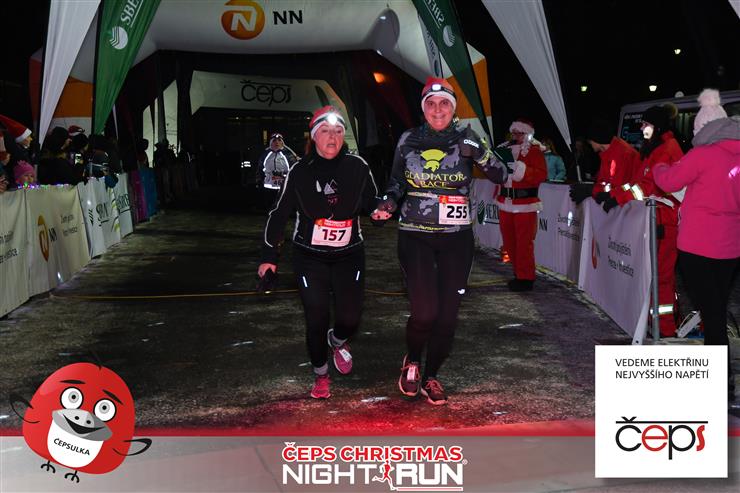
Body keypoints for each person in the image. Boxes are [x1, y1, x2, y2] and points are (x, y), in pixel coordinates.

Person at [372, 77, 509, 405]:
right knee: (425, 312)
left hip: (456, 239)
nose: (437, 110)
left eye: (444, 103)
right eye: (431, 104)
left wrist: (480, 153)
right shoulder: (409, 139)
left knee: (447, 317)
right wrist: (388, 203)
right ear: (423, 109)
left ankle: (431, 375)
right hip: (415, 235)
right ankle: (412, 362)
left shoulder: (467, 137)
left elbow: (501, 174)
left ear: (453, 108)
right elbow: (396, 182)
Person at [258, 106, 381, 399]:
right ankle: (321, 374)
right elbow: (278, 214)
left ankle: (337, 340)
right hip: (309, 257)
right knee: (316, 316)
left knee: (350, 319)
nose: (332, 137)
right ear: (314, 137)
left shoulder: (358, 166)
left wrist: (381, 209)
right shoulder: (299, 171)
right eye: (325, 131)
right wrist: (268, 257)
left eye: (338, 131)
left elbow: (372, 200)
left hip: (349, 254)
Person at [652, 89, 739, 399]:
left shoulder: (702, 154)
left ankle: (720, 382)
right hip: (731, 247)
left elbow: (668, 181)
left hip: (699, 247)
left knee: (712, 313)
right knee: (716, 308)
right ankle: (722, 379)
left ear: (703, 128)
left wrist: (658, 168)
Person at [603, 105, 684, 336]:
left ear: (656, 126)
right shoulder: (656, 148)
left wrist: (617, 198)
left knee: (661, 278)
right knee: (654, 277)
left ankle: (664, 329)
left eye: (645, 124)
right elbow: (637, 183)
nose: (641, 128)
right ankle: (656, 323)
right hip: (655, 220)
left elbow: (648, 187)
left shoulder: (666, 149)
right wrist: (613, 194)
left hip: (664, 222)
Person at [495, 118, 548, 292]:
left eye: (520, 133)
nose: (516, 136)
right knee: (509, 242)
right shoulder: (504, 149)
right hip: (505, 203)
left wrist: (520, 168)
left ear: (527, 134)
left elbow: (541, 175)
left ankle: (526, 278)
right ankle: (519, 273)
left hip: (525, 204)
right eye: (514, 133)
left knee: (524, 243)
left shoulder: (535, 151)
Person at [569, 120, 641, 205]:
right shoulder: (608, 153)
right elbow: (604, 182)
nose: (589, 143)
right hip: (622, 205)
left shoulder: (623, 154)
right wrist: (591, 189)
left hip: (633, 206)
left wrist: (591, 190)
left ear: (597, 139)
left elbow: (619, 186)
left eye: (590, 140)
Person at [256, 132, 298, 210]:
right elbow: (260, 169)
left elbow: (294, 169)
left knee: (284, 208)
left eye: (279, 140)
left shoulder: (288, 155)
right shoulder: (265, 155)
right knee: (270, 208)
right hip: (269, 187)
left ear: (282, 142)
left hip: (284, 187)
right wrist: (259, 182)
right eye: (274, 140)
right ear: (270, 142)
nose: (277, 142)